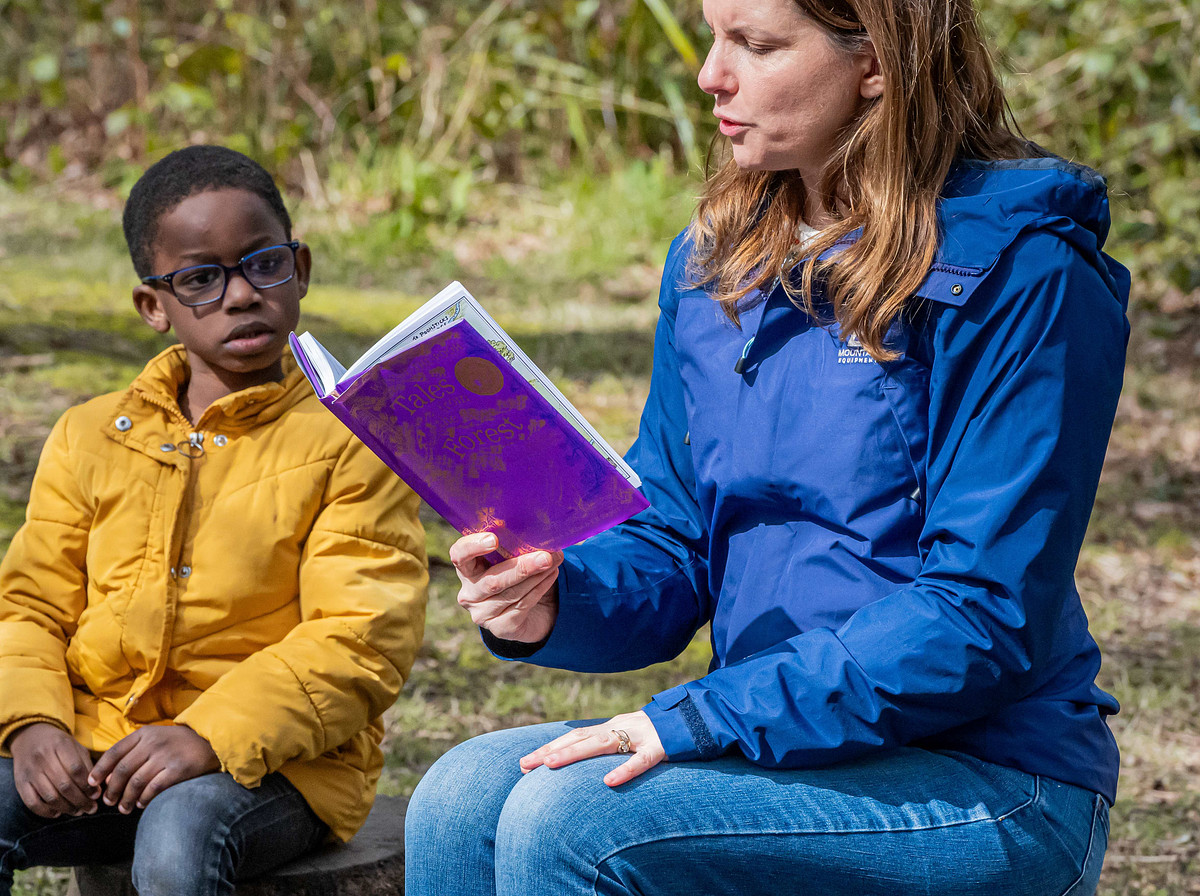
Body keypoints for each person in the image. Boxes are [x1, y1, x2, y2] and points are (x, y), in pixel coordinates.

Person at [404, 0, 1129, 893]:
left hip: (993, 777)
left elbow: (984, 612)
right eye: (714, 37)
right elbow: (677, 538)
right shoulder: (712, 263)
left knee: (573, 822)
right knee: (459, 797)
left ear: (876, 63)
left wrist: (703, 717)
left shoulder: (1023, 270)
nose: (711, 75)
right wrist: (554, 598)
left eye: (755, 44)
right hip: (782, 740)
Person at [0, 145, 429, 896]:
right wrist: (32, 723)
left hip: (280, 766)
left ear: (299, 269)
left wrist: (208, 735)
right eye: (201, 279)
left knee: (180, 835)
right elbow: (30, 606)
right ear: (153, 307)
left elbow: (360, 636)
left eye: (263, 264)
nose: (241, 295)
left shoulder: (355, 438)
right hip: (105, 748)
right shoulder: (88, 436)